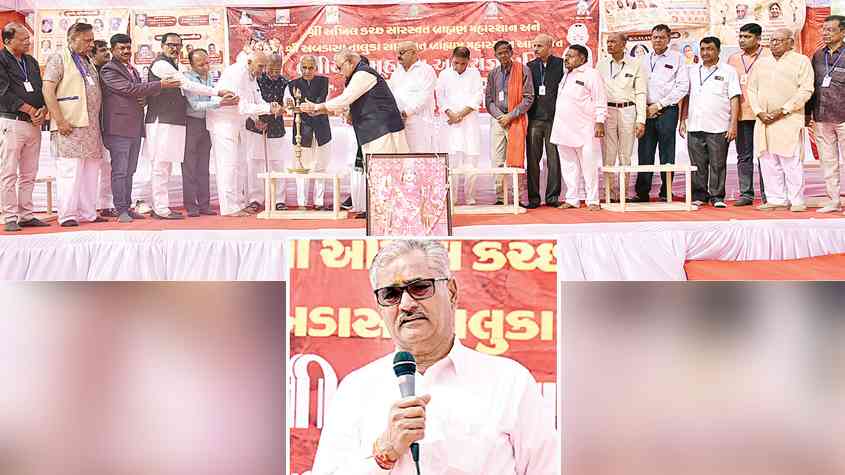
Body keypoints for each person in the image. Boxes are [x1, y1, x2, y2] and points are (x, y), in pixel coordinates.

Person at [310, 240, 559, 475]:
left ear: (451, 292)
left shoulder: (509, 381)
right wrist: (384, 453)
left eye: (419, 287)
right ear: (380, 306)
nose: (406, 304)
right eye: (391, 294)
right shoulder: (356, 389)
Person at [143, 32, 233, 220]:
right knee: (160, 166)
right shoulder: (161, 65)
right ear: (162, 46)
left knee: (166, 167)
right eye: (170, 45)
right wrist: (217, 93)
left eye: (178, 45)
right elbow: (187, 84)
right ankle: (161, 209)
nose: (174, 48)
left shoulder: (174, 65)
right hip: (161, 121)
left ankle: (163, 207)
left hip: (174, 121)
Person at [100, 33, 180, 224]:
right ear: (112, 50)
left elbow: (137, 92)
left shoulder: (132, 69)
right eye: (121, 48)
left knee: (130, 171)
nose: (126, 51)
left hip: (134, 128)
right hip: (118, 128)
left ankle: (126, 207)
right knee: (120, 171)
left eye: (128, 47)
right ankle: (120, 210)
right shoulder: (108, 69)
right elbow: (129, 89)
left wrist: (144, 98)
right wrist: (160, 84)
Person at [42, 22, 106, 227]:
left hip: (91, 128)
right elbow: (47, 90)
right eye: (87, 40)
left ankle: (88, 212)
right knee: (70, 171)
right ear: (72, 39)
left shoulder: (87, 60)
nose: (91, 44)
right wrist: (59, 120)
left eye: (92, 40)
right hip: (69, 126)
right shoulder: (59, 58)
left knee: (90, 172)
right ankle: (67, 215)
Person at [206, 50, 283, 217]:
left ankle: (239, 203)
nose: (262, 70)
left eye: (264, 67)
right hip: (223, 123)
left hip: (238, 123)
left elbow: (256, 98)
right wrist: (268, 108)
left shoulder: (251, 74)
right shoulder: (236, 73)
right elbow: (241, 105)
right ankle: (229, 208)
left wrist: (258, 117)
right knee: (228, 165)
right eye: (260, 66)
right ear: (249, 62)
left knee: (240, 165)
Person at [747, 28, 813, 212]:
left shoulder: (801, 61)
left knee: (791, 161)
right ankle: (776, 199)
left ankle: (797, 200)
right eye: (772, 40)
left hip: (788, 118)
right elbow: (751, 89)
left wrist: (783, 110)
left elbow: (806, 90)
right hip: (764, 120)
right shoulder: (762, 62)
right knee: (768, 160)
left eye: (779, 40)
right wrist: (759, 112)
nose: (774, 43)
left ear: (791, 42)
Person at [300, 49, 408, 155]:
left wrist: (316, 107)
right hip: (373, 131)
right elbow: (344, 108)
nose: (339, 72)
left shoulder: (364, 73)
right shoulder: (355, 76)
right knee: (373, 165)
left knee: (383, 165)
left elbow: (345, 99)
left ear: (350, 62)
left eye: (339, 67)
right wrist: (320, 111)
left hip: (382, 130)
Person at [679, 36, 740, 208]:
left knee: (718, 164)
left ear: (718, 51)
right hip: (695, 124)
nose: (706, 52)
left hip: (719, 125)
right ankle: (699, 195)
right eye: (703, 49)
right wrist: (682, 119)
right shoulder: (692, 70)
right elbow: (686, 97)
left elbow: (734, 98)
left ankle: (717, 196)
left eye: (710, 49)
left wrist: (733, 124)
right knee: (697, 164)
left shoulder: (728, 71)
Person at [0, 22, 49, 232]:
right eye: (23, 39)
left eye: (29, 38)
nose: (28, 42)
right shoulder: (1, 60)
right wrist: (30, 110)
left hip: (33, 123)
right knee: (9, 172)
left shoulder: (31, 61)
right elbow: (3, 92)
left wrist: (43, 110)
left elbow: (40, 89)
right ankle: (10, 216)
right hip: (12, 121)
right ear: (8, 40)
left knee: (29, 173)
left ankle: (26, 214)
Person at [633, 24, 690, 203]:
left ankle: (666, 192)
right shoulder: (642, 59)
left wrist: (658, 105)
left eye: (661, 37)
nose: (657, 40)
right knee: (644, 152)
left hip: (667, 110)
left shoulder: (678, 58)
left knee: (667, 153)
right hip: (645, 111)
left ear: (669, 39)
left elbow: (683, 87)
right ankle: (642, 193)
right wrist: (644, 108)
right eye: (655, 37)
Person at [182, 49, 238, 217]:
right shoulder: (187, 79)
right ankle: (191, 206)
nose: (206, 67)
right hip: (191, 123)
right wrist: (221, 103)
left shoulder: (211, 76)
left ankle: (204, 204)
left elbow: (211, 99)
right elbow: (195, 106)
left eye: (207, 63)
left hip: (207, 123)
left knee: (203, 166)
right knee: (189, 166)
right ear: (191, 65)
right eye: (201, 65)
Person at [550, 44, 607, 210]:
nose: (566, 59)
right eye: (566, 55)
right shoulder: (566, 74)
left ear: (582, 58)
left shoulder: (592, 74)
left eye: (571, 56)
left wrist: (600, 121)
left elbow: (600, 99)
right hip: (563, 128)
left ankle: (593, 200)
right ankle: (572, 199)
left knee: (589, 165)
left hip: (585, 128)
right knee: (569, 166)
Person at [598, 32, 647, 202]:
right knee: (608, 154)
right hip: (608, 111)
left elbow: (641, 93)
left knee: (625, 154)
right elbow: (597, 92)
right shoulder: (601, 64)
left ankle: (624, 194)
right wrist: (598, 118)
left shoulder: (636, 64)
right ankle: (609, 194)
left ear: (624, 44)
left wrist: (641, 120)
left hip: (628, 110)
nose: (609, 45)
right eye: (608, 42)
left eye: (613, 41)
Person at [484, 40, 534, 205]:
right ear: (495, 55)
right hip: (498, 121)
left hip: (516, 120)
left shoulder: (523, 70)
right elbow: (489, 100)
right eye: (500, 53)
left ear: (511, 52)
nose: (503, 55)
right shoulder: (493, 74)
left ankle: (519, 197)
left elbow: (528, 98)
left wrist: (510, 116)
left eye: (506, 52)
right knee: (497, 160)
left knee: (516, 160)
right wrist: (500, 117)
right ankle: (501, 197)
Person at [727, 23, 770, 206]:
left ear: (758, 38)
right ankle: (746, 194)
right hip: (742, 114)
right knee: (744, 156)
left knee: (765, 156)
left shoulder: (769, 56)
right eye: (741, 36)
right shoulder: (733, 59)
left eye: (747, 37)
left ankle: (769, 195)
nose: (742, 40)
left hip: (764, 115)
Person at [435, 46, 483, 205]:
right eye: (456, 63)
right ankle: (452, 197)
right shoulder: (444, 74)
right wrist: (451, 114)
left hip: (469, 122)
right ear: (452, 59)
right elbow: (440, 97)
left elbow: (477, 97)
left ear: (468, 61)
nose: (459, 67)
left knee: (471, 159)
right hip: (450, 123)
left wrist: (460, 115)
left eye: (463, 64)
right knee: (452, 160)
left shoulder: (474, 74)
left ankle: (470, 197)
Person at [286, 55, 333, 210]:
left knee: (320, 166)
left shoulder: (323, 82)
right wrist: (291, 105)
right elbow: (290, 105)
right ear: (300, 68)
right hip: (301, 130)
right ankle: (302, 202)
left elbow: (320, 101)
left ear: (316, 68)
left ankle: (319, 202)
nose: (307, 71)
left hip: (321, 129)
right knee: (301, 167)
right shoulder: (292, 84)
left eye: (310, 68)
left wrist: (310, 107)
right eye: (304, 67)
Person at [808, 15, 845, 214]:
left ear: (843, 32)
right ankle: (833, 201)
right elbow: (810, 86)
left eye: (830, 29)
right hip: (821, 116)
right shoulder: (817, 55)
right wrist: (808, 114)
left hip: (843, 116)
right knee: (828, 162)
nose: (825, 33)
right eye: (823, 29)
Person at [525, 33, 564, 208]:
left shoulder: (561, 65)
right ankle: (533, 198)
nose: (535, 49)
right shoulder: (530, 66)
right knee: (533, 160)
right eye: (534, 46)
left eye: (539, 46)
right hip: (534, 119)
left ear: (550, 47)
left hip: (555, 119)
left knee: (554, 159)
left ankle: (552, 197)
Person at [245, 52, 287, 213]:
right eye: (271, 69)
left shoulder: (285, 82)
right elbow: (249, 102)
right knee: (255, 163)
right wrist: (256, 120)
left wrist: (282, 108)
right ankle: (255, 199)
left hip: (276, 128)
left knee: (277, 163)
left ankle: (278, 200)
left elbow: (287, 103)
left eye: (278, 69)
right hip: (256, 126)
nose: (274, 73)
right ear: (265, 66)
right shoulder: (256, 80)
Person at [387, 40, 436, 153]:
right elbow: (391, 95)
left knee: (419, 155)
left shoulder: (426, 70)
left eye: (402, 52)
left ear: (414, 52)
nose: (398, 56)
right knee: (402, 155)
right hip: (399, 122)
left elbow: (425, 96)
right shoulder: (396, 73)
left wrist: (406, 113)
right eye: (397, 53)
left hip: (419, 122)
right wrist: (395, 113)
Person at [89, 39, 117, 218]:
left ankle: (106, 205)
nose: (107, 52)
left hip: (108, 126)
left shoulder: (112, 70)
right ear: (92, 55)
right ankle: (88, 207)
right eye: (102, 50)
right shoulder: (88, 72)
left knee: (108, 167)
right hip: (90, 126)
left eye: (107, 49)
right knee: (90, 169)